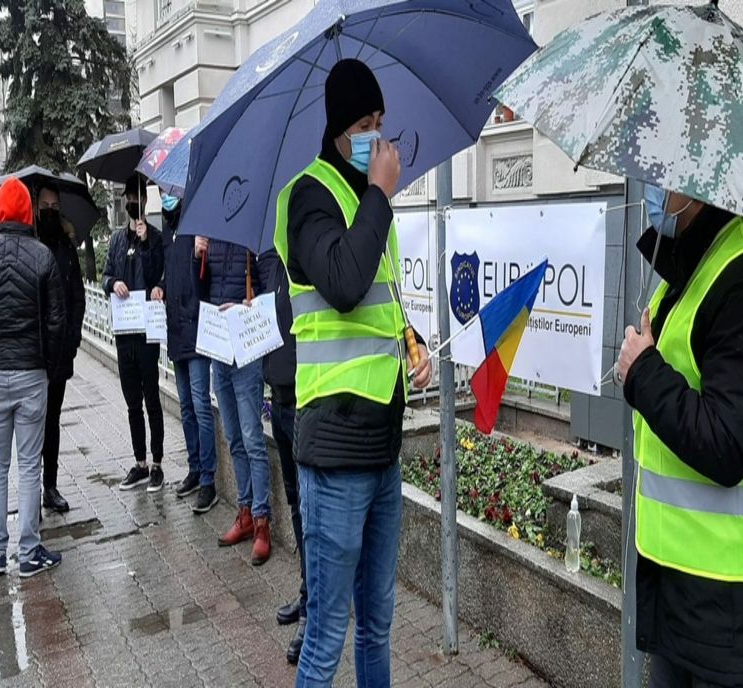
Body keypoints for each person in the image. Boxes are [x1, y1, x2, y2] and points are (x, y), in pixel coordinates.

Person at [273, 59, 431, 687]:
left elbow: (378, 303)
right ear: (340, 128)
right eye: (365, 124)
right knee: (326, 635)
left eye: (382, 122)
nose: (378, 136)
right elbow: (340, 283)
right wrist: (380, 196)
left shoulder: (368, 205)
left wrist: (410, 344)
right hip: (334, 449)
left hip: (381, 445)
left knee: (377, 624)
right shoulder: (310, 196)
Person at [616, 185, 743, 688]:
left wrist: (643, 373)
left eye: (666, 176)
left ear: (702, 185)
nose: (656, 188)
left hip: (726, 603)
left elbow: (727, 445)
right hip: (680, 589)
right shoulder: (692, 268)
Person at [0, 176, 66, 578]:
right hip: (32, 375)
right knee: (29, 465)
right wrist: (48, 365)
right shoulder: (43, 258)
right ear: (28, 211)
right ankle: (29, 551)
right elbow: (56, 321)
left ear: (0, 212)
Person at [197, 236, 273, 564]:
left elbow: (270, 291)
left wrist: (246, 306)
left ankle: (261, 522)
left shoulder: (252, 239)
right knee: (233, 437)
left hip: (244, 344)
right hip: (218, 346)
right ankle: (244, 511)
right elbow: (197, 293)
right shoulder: (208, 238)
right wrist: (195, 258)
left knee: (253, 438)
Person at [155, 192, 218, 513]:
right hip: (175, 329)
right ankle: (195, 468)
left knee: (200, 404)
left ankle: (209, 479)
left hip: (197, 328)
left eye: (172, 193)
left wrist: (199, 257)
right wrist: (161, 287)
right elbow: (170, 273)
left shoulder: (199, 226)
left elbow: (207, 282)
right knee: (187, 407)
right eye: (163, 193)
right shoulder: (169, 230)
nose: (167, 198)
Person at [258, 247, 306, 665]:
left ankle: (316, 608)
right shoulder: (270, 258)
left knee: (309, 508)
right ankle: (309, 592)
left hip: (306, 398)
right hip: (279, 396)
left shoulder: (307, 246)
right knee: (294, 502)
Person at [102, 174, 165, 492]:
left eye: (138, 196)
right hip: (124, 334)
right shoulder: (115, 240)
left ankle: (157, 464)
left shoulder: (154, 237)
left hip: (147, 333)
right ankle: (139, 462)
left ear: (145, 200)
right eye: (129, 196)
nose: (133, 202)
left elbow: (159, 275)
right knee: (132, 402)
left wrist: (145, 245)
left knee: (152, 399)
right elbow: (106, 277)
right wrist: (113, 283)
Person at [36, 183, 86, 513]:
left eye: (55, 205)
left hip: (60, 354)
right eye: (45, 205)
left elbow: (78, 298)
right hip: (32, 354)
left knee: (51, 421)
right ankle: (30, 489)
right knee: (31, 425)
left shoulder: (67, 249)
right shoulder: (27, 245)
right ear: (35, 208)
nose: (51, 210)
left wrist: (72, 340)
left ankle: (49, 487)